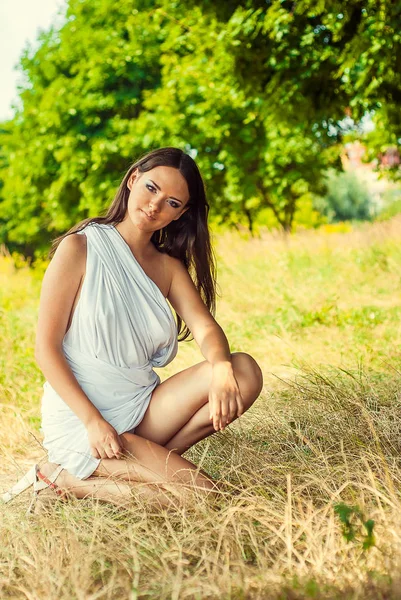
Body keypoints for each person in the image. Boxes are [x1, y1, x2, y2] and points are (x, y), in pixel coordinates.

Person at [2, 147, 263, 513]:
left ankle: (143, 463)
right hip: (84, 417)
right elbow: (45, 349)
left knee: (244, 371)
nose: (156, 205)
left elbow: (206, 328)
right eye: (151, 188)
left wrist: (220, 367)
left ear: (182, 213)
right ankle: (61, 477)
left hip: (140, 406)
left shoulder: (169, 268)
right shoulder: (80, 247)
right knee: (204, 497)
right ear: (133, 179)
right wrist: (93, 422)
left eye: (172, 202)